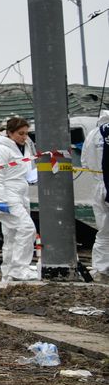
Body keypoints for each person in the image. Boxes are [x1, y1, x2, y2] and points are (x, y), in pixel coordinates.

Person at [0, 116, 39, 283]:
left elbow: (22, 171)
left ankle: (8, 273)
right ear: (9, 133)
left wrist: (33, 178)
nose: (24, 137)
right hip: (6, 195)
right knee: (27, 229)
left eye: (26, 133)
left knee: (12, 235)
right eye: (21, 133)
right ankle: (19, 270)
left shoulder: (24, 147)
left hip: (20, 193)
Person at [83, 109, 109, 279]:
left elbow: (85, 161)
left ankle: (101, 268)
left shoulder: (93, 134)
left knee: (104, 231)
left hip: (98, 185)